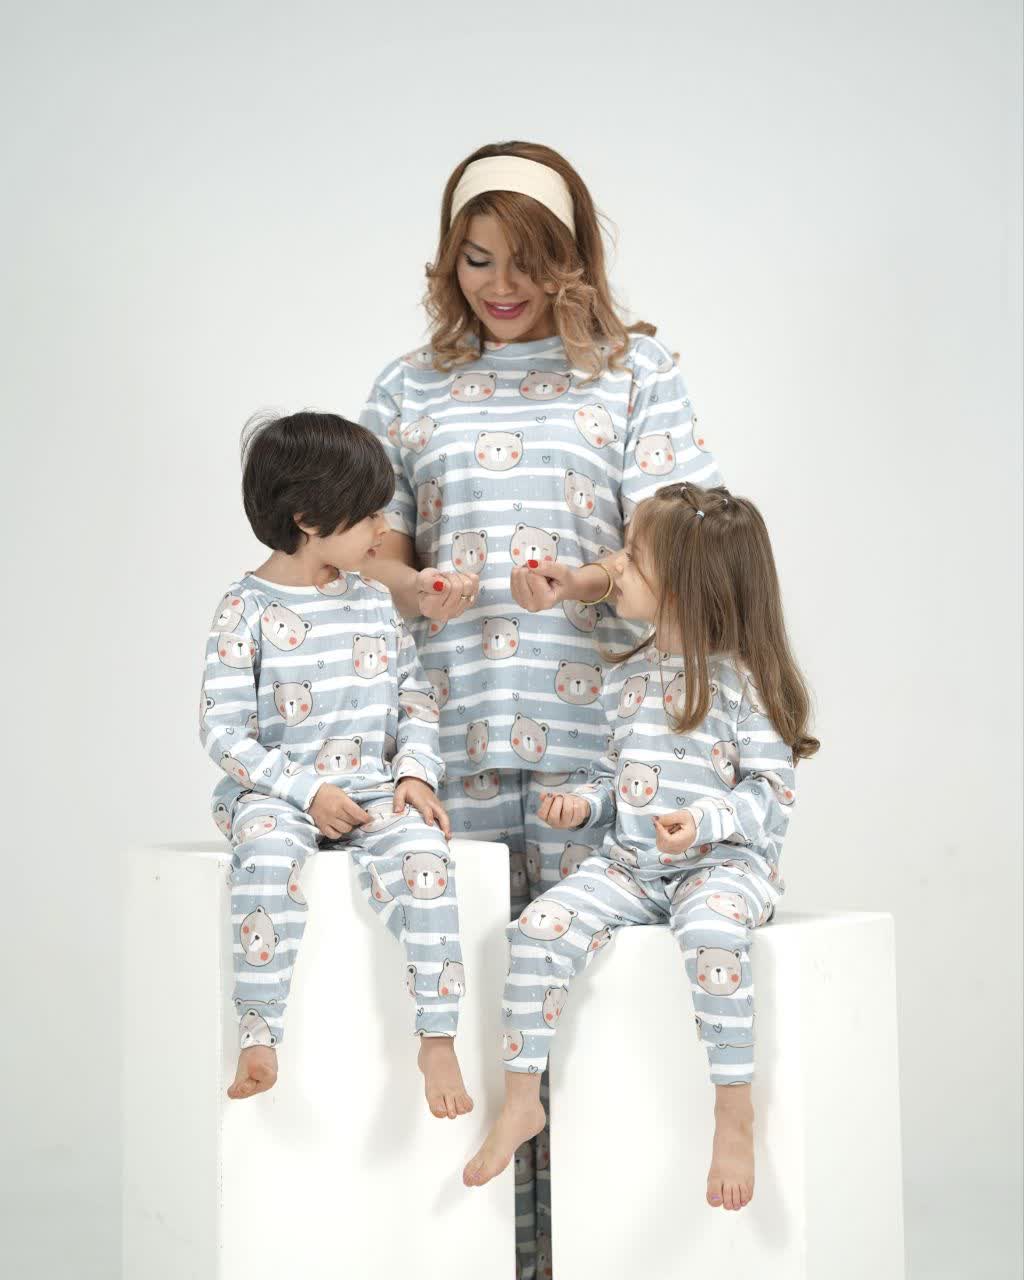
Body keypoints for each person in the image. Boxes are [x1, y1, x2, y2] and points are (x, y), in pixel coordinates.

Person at [358, 139, 722, 1276]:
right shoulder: (406, 385)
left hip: (600, 747)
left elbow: (680, 547)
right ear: (447, 259)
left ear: (574, 259)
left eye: (526, 261)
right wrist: (411, 582)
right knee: (473, 1031)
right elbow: (372, 549)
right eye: (476, 260)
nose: (501, 286)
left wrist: (587, 579)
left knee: (596, 1034)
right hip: (449, 737)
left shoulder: (635, 373)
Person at [463, 482, 819, 1216]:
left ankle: (733, 1110)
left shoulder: (745, 686)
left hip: (724, 867)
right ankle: (522, 1099)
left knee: (712, 935)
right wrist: (583, 804)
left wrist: (704, 822)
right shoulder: (627, 678)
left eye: (633, 556)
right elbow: (615, 778)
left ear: (685, 586)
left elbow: (770, 795)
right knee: (536, 929)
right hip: (630, 869)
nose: (614, 566)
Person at [199, 410, 473, 1119]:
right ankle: (260, 1034)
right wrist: (306, 791)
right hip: (276, 794)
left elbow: (415, 698)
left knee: (426, 858)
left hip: (372, 790)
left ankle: (437, 1036)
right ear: (309, 519)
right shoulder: (245, 609)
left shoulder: (375, 602)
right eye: (369, 515)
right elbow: (223, 733)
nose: (384, 528)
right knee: (266, 858)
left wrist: (415, 773)